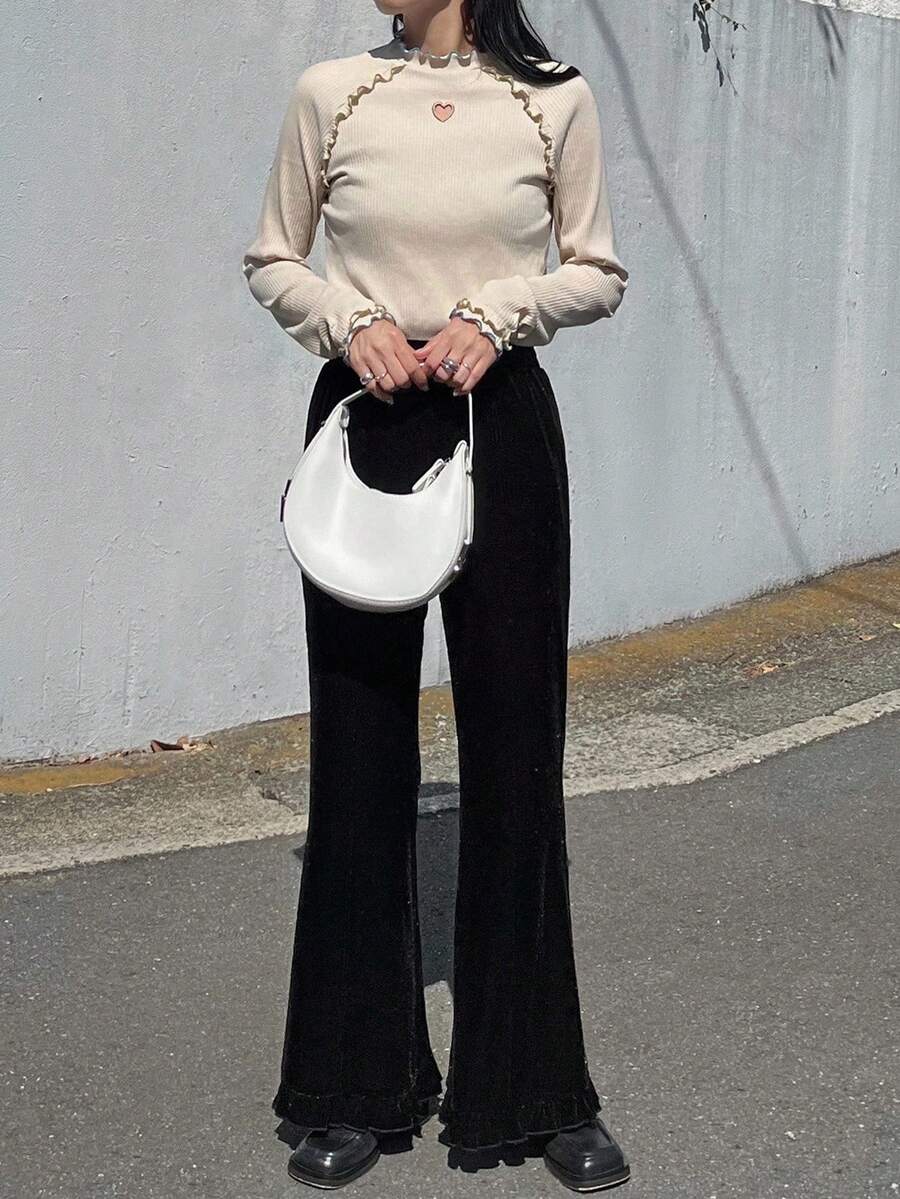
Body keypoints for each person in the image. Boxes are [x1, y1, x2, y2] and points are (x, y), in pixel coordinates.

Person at [241, 0, 631, 1190]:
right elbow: (272, 257)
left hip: (499, 421)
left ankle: (538, 1090)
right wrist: (345, 320)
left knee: (518, 753)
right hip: (366, 419)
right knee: (359, 754)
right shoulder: (332, 93)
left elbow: (597, 270)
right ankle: (352, 1085)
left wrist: (500, 313)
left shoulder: (553, 99)